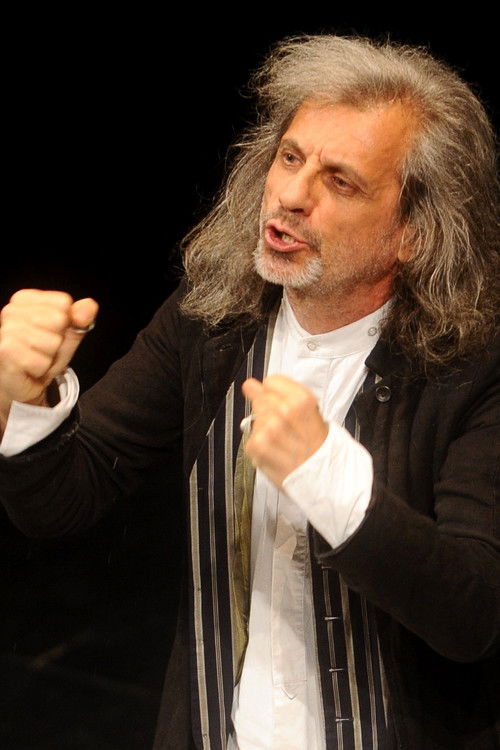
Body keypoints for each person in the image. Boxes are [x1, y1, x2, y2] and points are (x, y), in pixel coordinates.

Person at [0, 34, 498, 750]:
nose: (291, 195)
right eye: (290, 158)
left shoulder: (474, 368)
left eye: (340, 181)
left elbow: (473, 615)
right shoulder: (212, 322)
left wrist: (328, 475)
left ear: (413, 234)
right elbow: (63, 498)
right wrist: (27, 397)